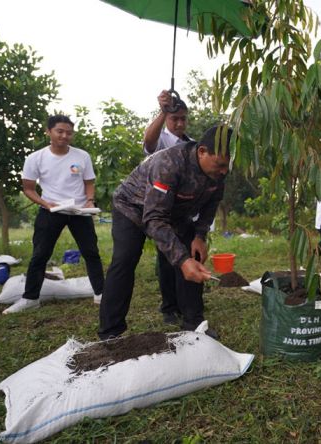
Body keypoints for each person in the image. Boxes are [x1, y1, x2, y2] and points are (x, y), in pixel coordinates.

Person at [98, 125, 232, 340]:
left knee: (192, 254)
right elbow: (154, 218)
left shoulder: (219, 172)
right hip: (133, 207)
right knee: (125, 259)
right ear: (202, 151)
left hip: (175, 212)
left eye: (227, 165)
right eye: (220, 165)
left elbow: (211, 203)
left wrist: (199, 236)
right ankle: (110, 332)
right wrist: (181, 260)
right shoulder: (169, 163)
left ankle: (194, 322)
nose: (224, 171)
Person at [4, 115, 104, 314]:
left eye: (69, 132)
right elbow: (29, 188)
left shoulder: (82, 156)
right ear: (48, 132)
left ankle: (101, 293)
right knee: (40, 254)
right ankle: (30, 298)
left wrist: (90, 199)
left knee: (91, 252)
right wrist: (45, 203)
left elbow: (89, 182)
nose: (65, 136)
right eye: (60, 131)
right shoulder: (36, 158)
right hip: (51, 210)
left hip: (78, 211)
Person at [143, 90, 199, 326]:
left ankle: (189, 307)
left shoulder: (192, 145)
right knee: (166, 261)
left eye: (183, 119)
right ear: (167, 119)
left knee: (186, 257)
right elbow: (148, 141)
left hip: (185, 211)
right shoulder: (161, 141)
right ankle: (168, 307)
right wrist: (163, 110)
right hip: (162, 211)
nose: (179, 123)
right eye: (174, 119)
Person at [143, 90, 193, 155]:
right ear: (165, 119)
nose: (180, 124)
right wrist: (164, 111)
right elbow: (149, 142)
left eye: (183, 119)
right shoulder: (160, 139)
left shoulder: (193, 143)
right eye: (174, 119)